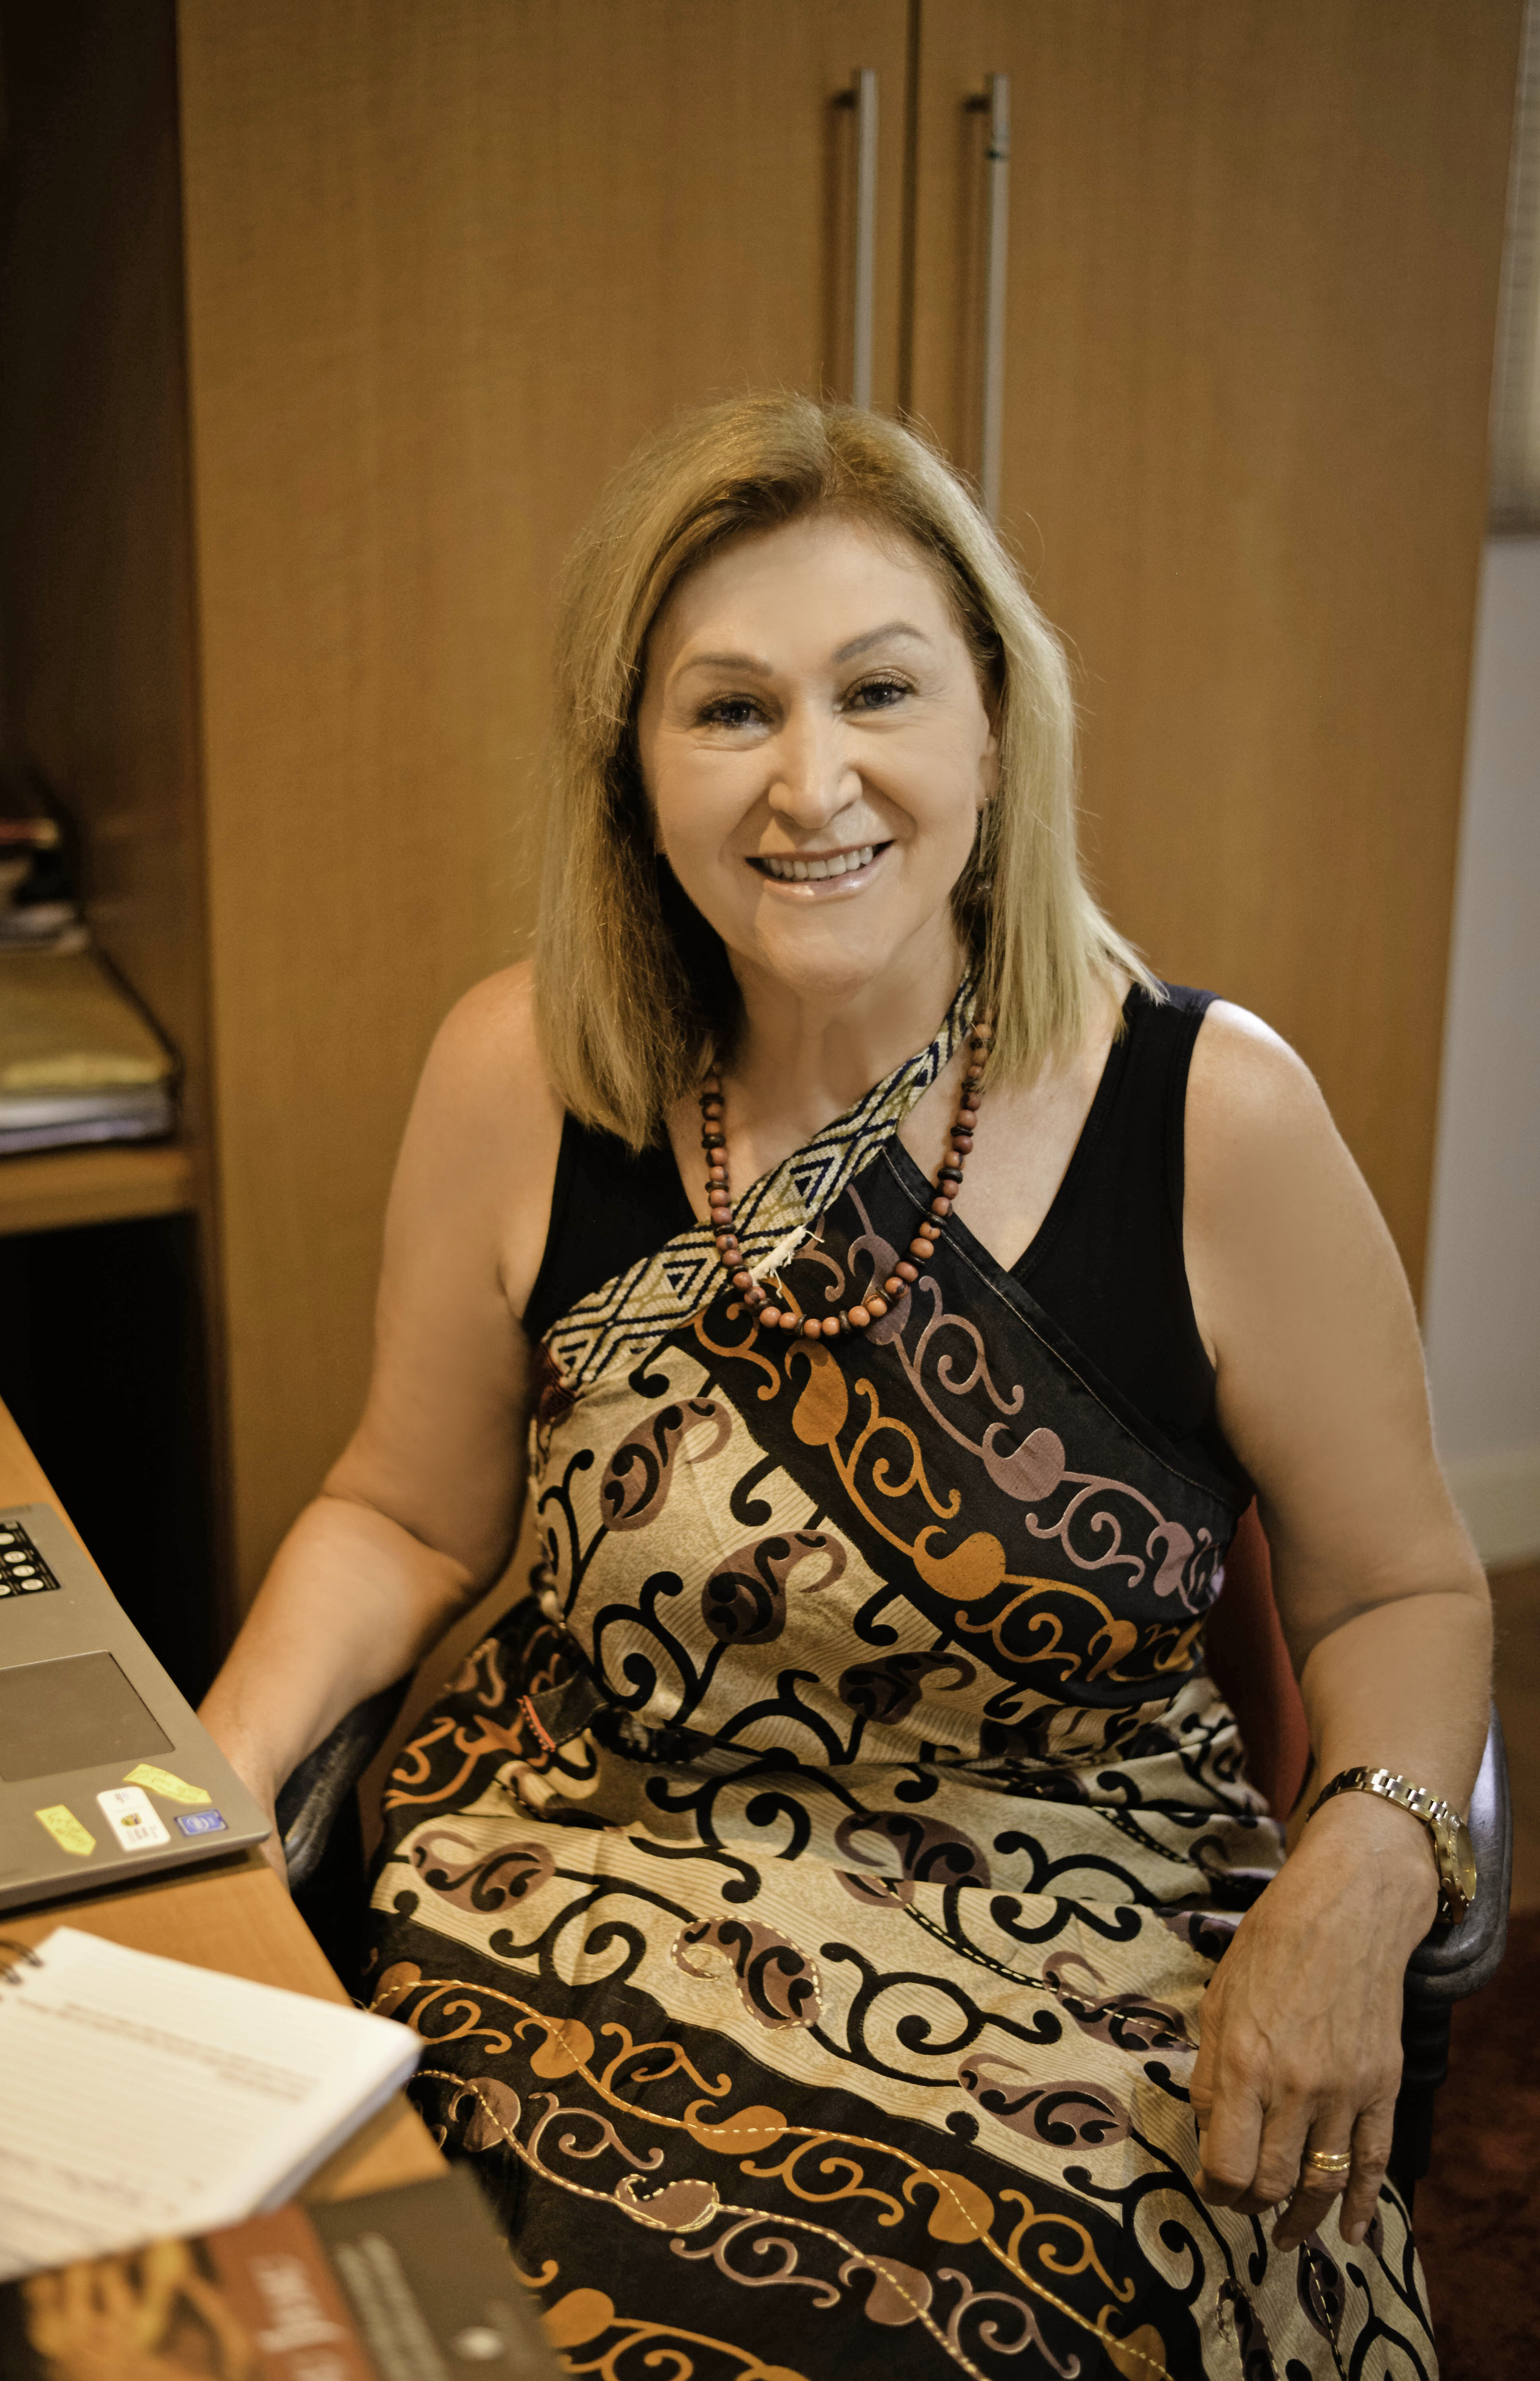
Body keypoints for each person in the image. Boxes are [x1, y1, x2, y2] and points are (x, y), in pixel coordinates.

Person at [200, 394, 1489, 2381]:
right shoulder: (518, 1073)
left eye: (877, 690)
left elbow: (1399, 1587)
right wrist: (208, 1787)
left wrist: (1362, 1864)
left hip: (1081, 1934)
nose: (812, 784)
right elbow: (400, 1512)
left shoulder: (1215, 1116)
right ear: (632, 775)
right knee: (372, 2323)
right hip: (581, 1875)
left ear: (995, 728)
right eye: (729, 710)